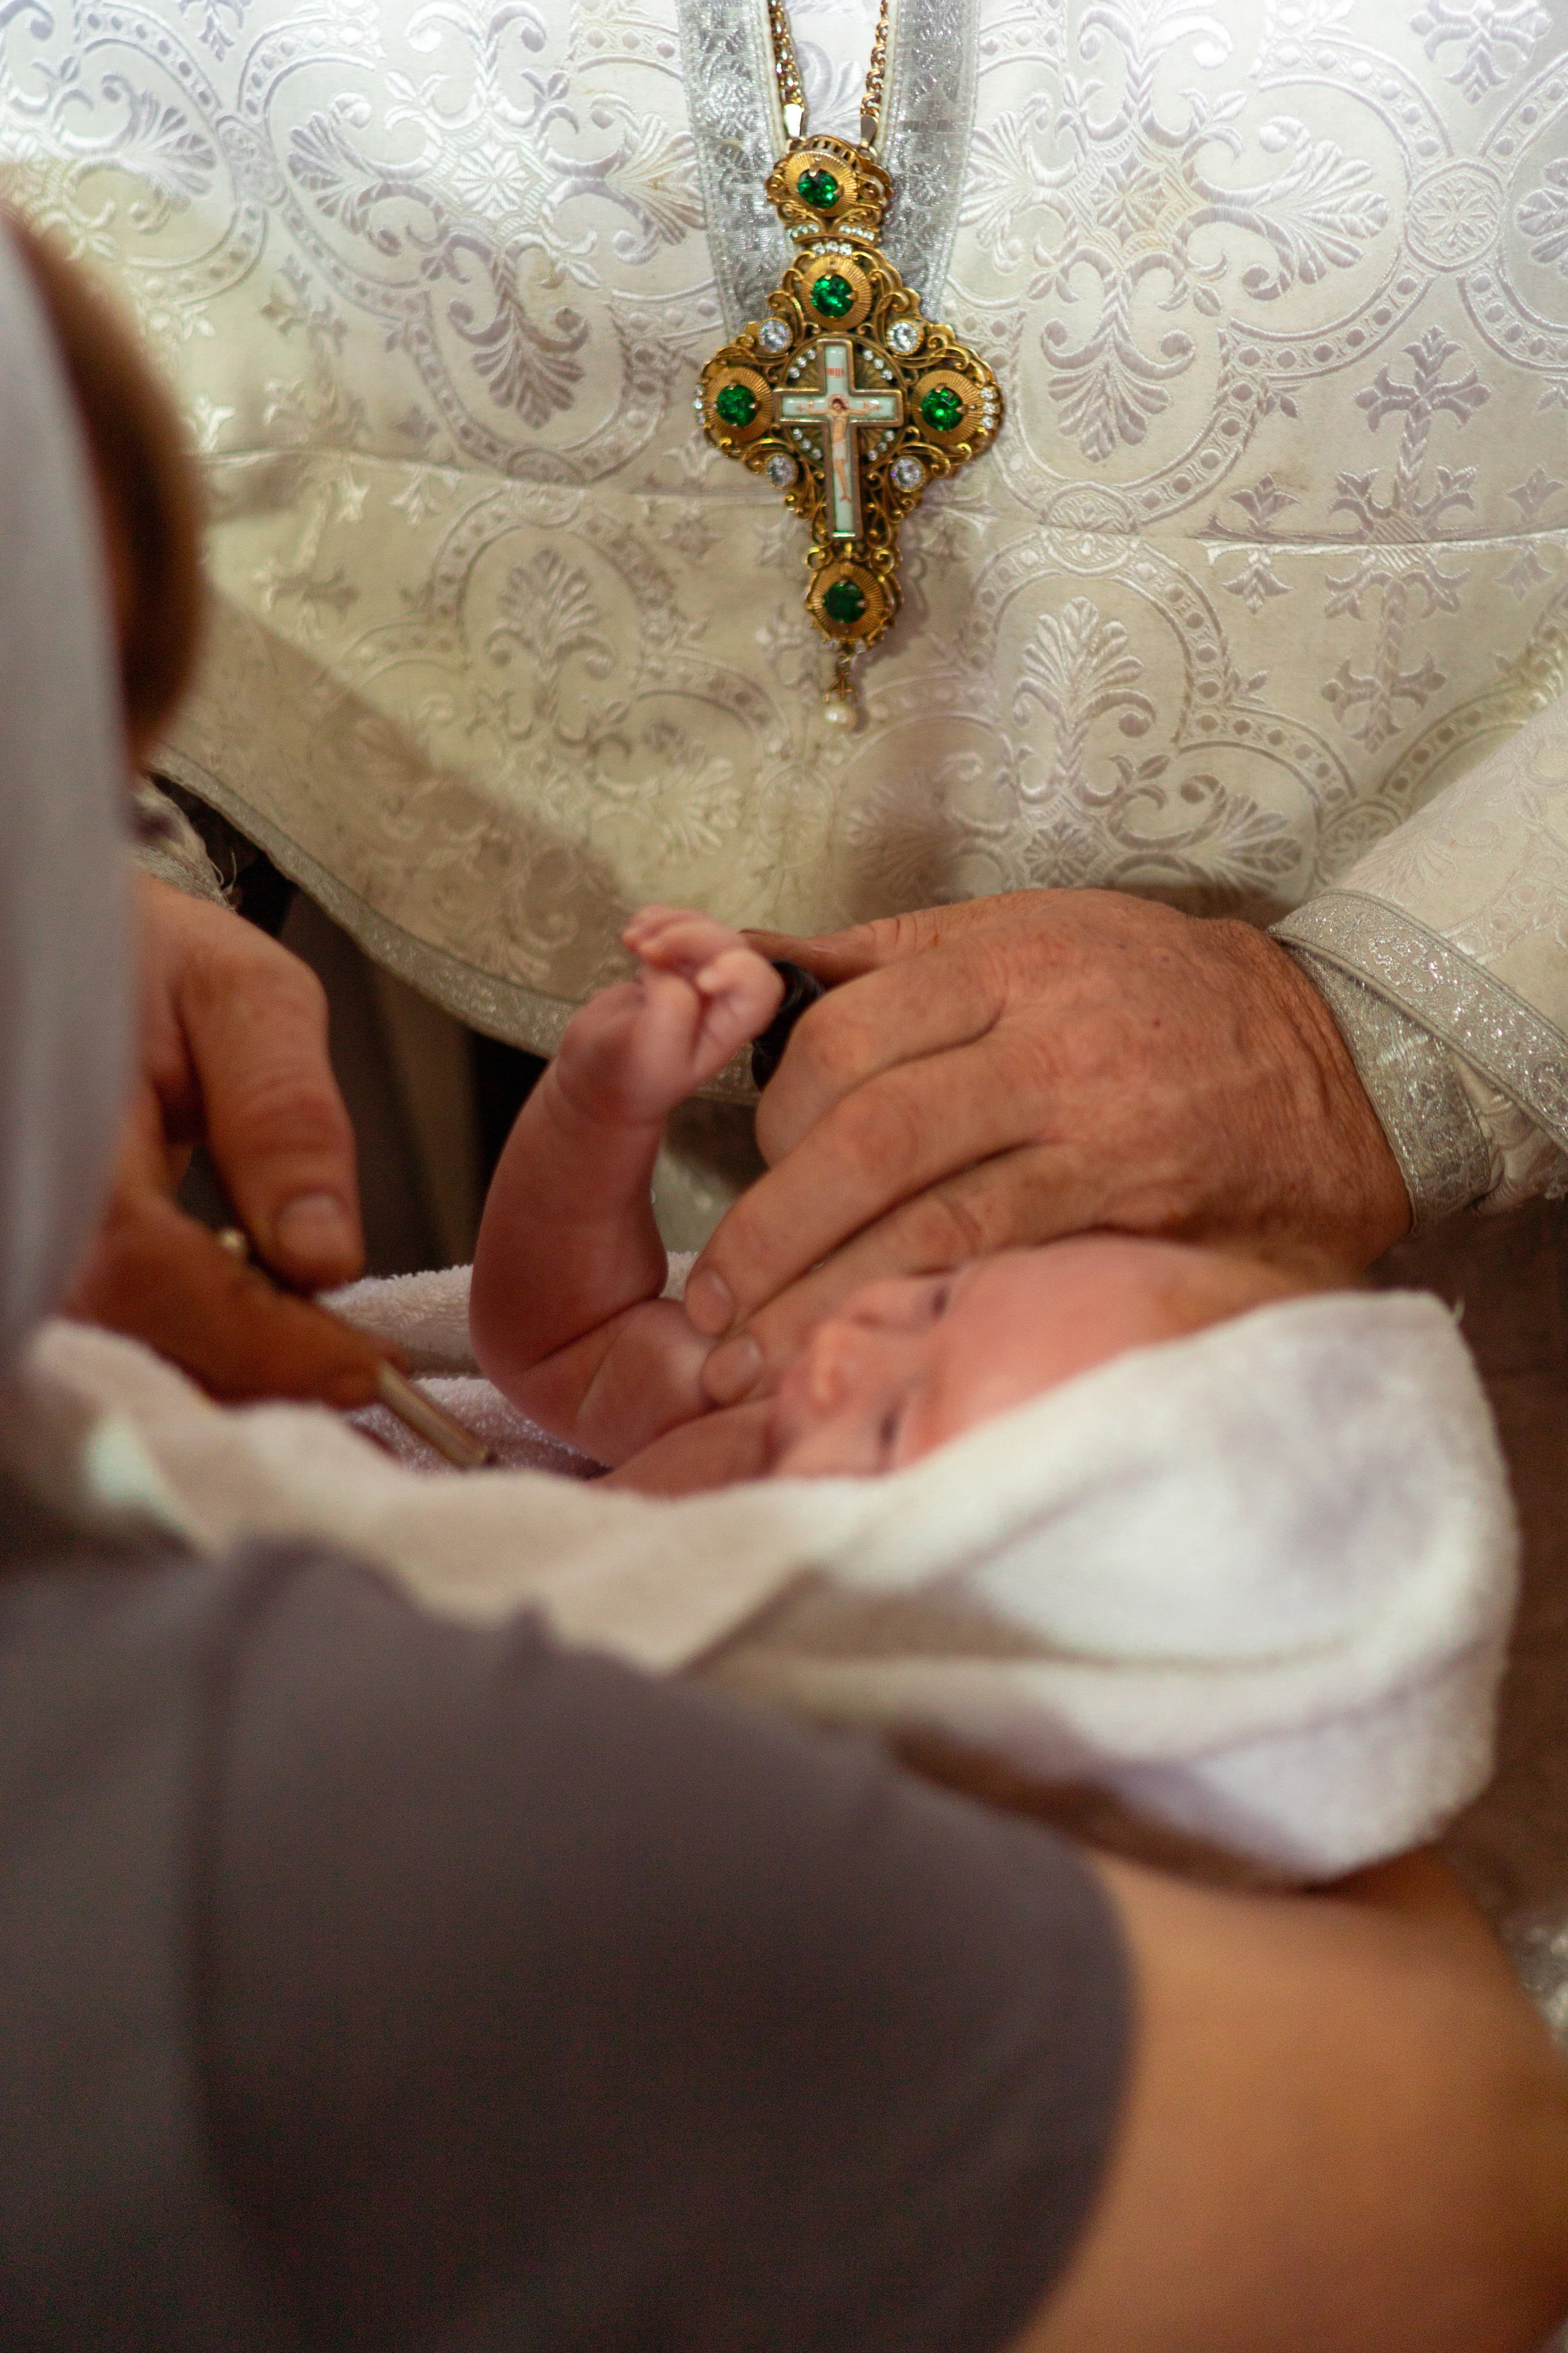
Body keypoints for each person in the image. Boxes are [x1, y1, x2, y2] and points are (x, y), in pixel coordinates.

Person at [1, 203, 1567, 2353]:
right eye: (912, 1315)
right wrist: (611, 1096)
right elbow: (557, 1323)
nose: (840, 1339)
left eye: (916, 1401)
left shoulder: (909, 1736)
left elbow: (537, 1362)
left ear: (1040, 1596)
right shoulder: (763, 1459)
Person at [471, 901, 1308, 1489]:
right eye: (936, 1301)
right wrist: (602, 1100)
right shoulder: (764, 1422)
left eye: (892, 1425)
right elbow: (561, 1346)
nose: (853, 1341)